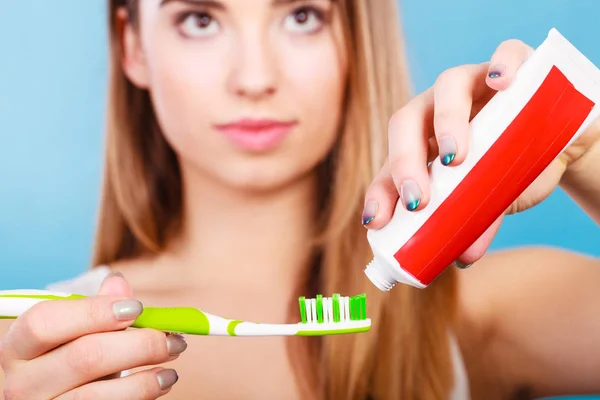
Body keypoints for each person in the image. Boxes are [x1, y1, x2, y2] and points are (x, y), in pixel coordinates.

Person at [1, 0, 599, 399]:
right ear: (133, 46)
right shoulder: (34, 356)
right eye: (200, 19)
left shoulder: (473, 311)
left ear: (355, 38)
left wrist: (590, 147)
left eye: (303, 15)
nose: (256, 77)